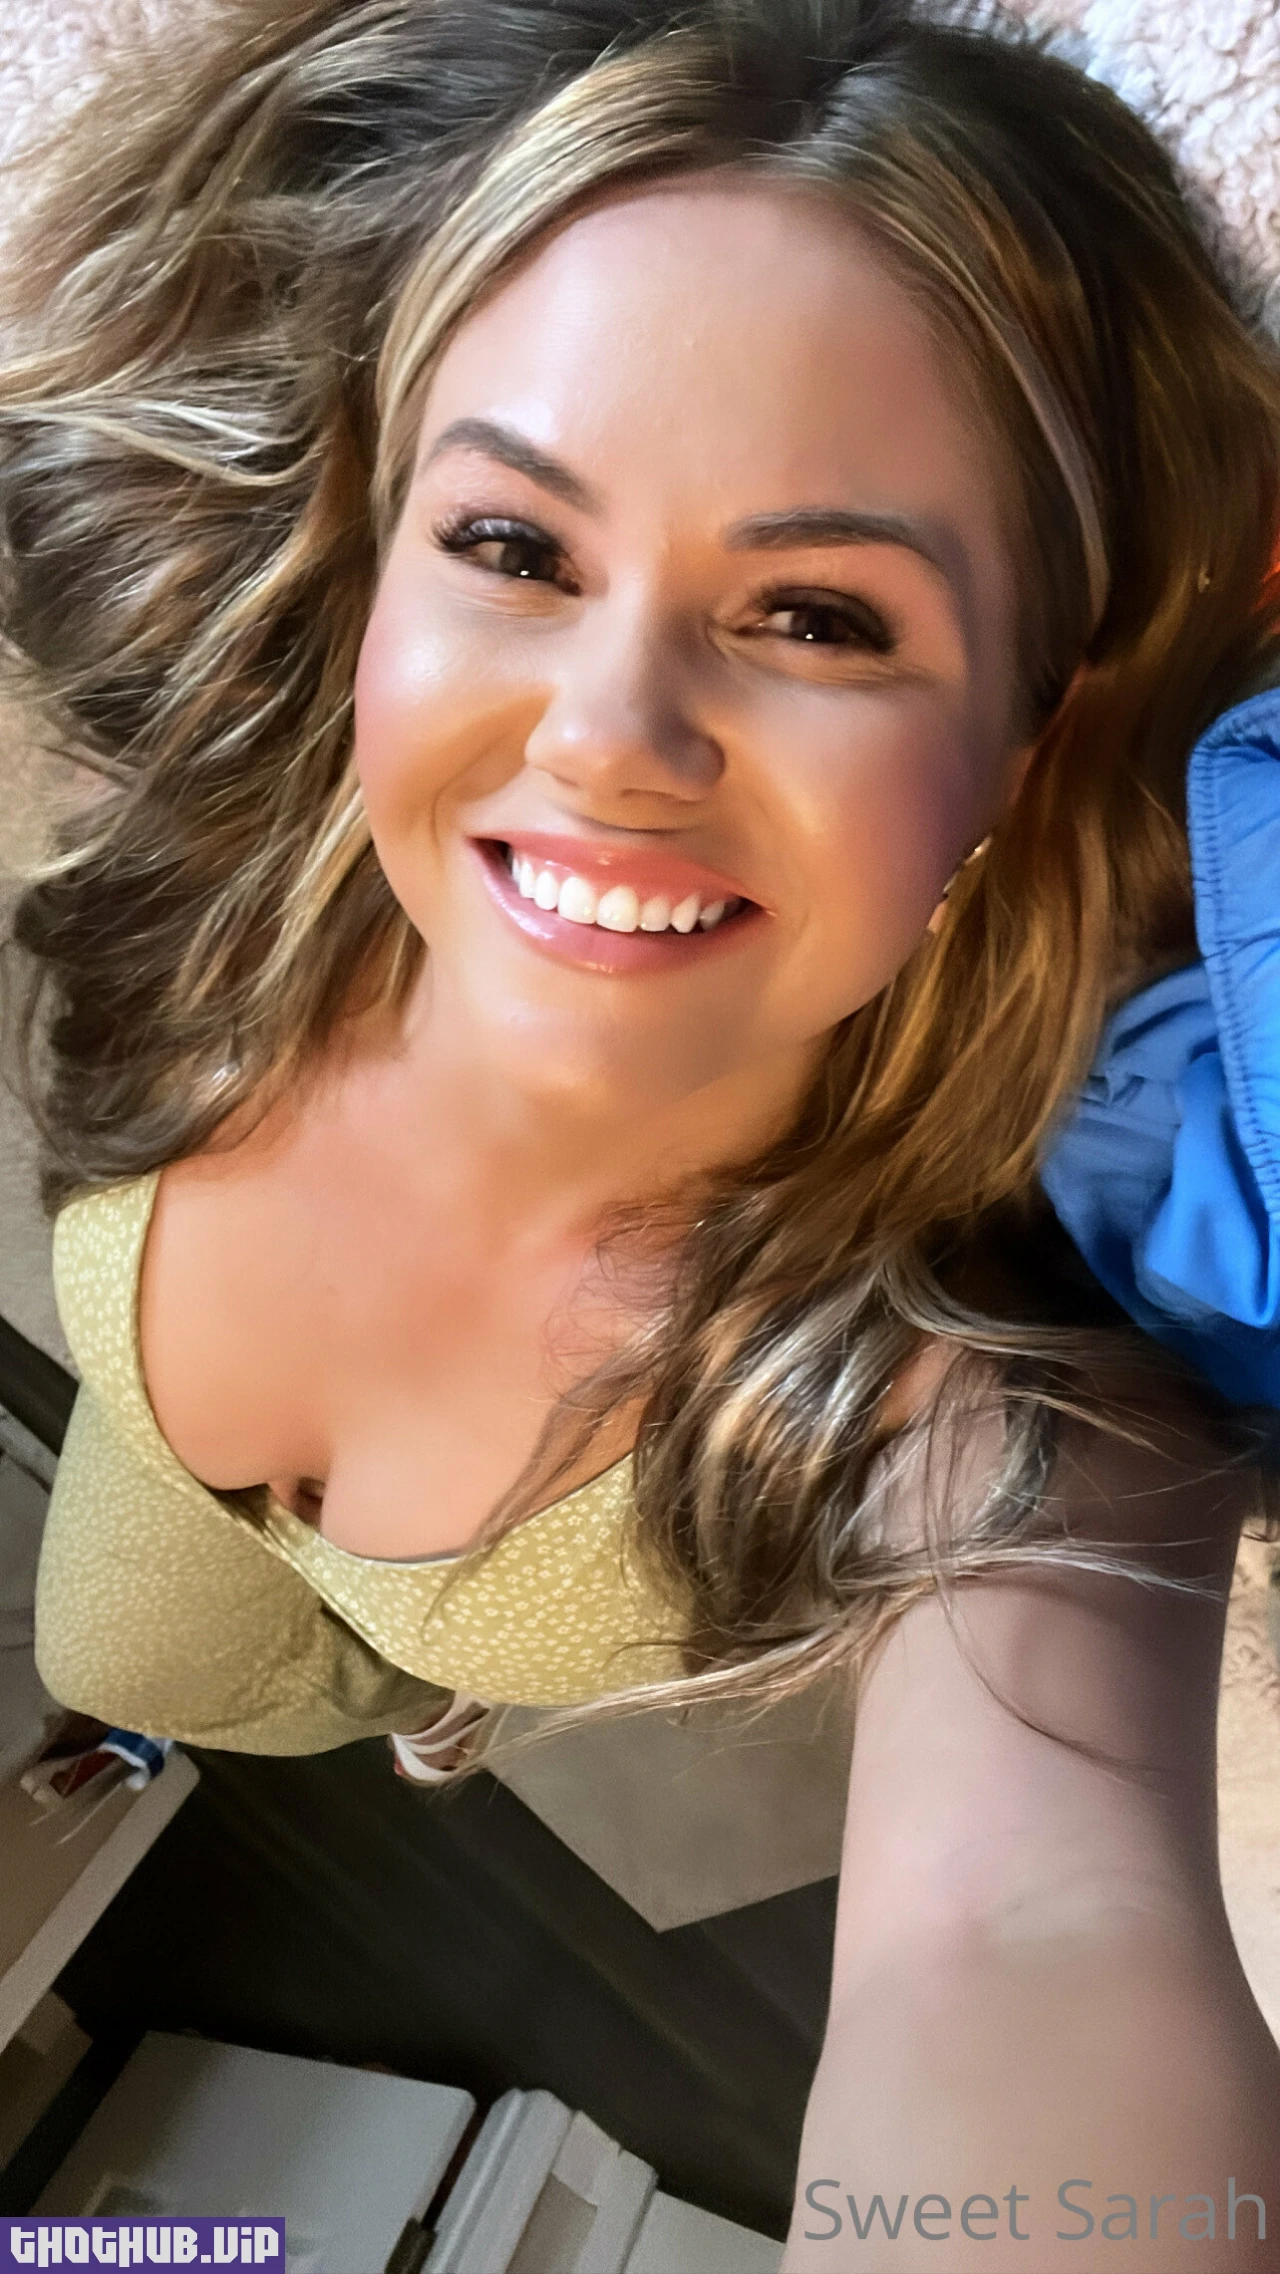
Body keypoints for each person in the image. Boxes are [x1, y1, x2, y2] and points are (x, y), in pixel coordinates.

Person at [2, 0, 1279, 2262]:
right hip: (159, 1486)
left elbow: (1021, 1929)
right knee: (128, 1665)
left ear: (1025, 731)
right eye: (514, 543)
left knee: (335, 1681)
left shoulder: (983, 1402)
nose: (608, 736)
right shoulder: (236, 839)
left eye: (819, 615)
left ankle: (433, 1677)